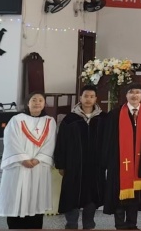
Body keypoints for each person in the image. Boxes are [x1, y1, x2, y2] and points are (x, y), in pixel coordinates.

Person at [0, 92, 56, 229]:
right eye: (34, 100)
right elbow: (11, 141)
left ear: (44, 104)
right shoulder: (16, 120)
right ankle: (15, 226)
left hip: (39, 167)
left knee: (36, 199)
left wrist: (39, 159)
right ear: (27, 103)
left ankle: (35, 226)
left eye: (40, 100)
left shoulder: (49, 121)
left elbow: (51, 142)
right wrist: (22, 158)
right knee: (16, 197)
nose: (37, 103)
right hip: (19, 167)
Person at [102, 83, 141, 230]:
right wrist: (107, 162)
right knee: (119, 195)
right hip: (119, 162)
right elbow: (107, 139)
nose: (134, 95)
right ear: (126, 95)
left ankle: (132, 224)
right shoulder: (115, 114)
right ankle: (120, 225)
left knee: (135, 197)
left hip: (140, 163)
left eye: (138, 92)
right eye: (131, 92)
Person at [54, 85, 107, 229]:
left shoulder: (103, 118)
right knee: (71, 195)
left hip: (95, 166)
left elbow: (108, 142)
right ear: (80, 98)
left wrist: (106, 162)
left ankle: (88, 224)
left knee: (91, 196)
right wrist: (61, 164)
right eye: (86, 96)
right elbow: (61, 142)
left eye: (91, 96)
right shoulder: (69, 119)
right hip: (73, 166)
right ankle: (71, 224)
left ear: (96, 99)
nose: (88, 99)